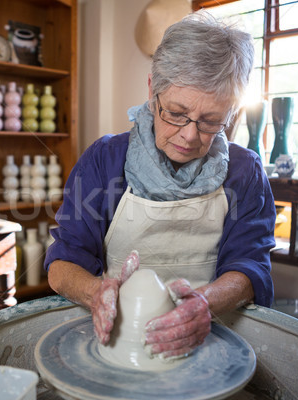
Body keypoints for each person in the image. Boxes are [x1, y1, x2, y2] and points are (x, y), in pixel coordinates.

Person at [44, 12, 276, 360]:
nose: (190, 134)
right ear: (153, 89)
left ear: (231, 113)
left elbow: (250, 268)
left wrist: (205, 304)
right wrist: (96, 293)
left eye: (211, 121)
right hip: (117, 342)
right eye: (177, 113)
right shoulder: (105, 160)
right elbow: (62, 266)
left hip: (206, 339)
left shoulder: (244, 172)